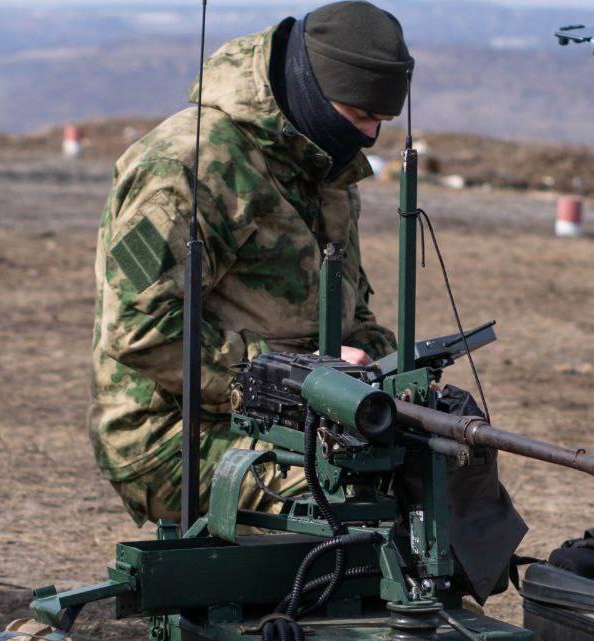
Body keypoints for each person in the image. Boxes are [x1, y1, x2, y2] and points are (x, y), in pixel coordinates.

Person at [90, 1, 411, 525]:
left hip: (300, 414)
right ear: (311, 88)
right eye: (359, 117)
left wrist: (384, 373)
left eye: (382, 121)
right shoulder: (190, 165)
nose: (369, 138)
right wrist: (303, 381)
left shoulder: (322, 165)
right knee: (365, 501)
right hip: (175, 431)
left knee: (439, 466)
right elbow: (139, 330)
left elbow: (350, 318)